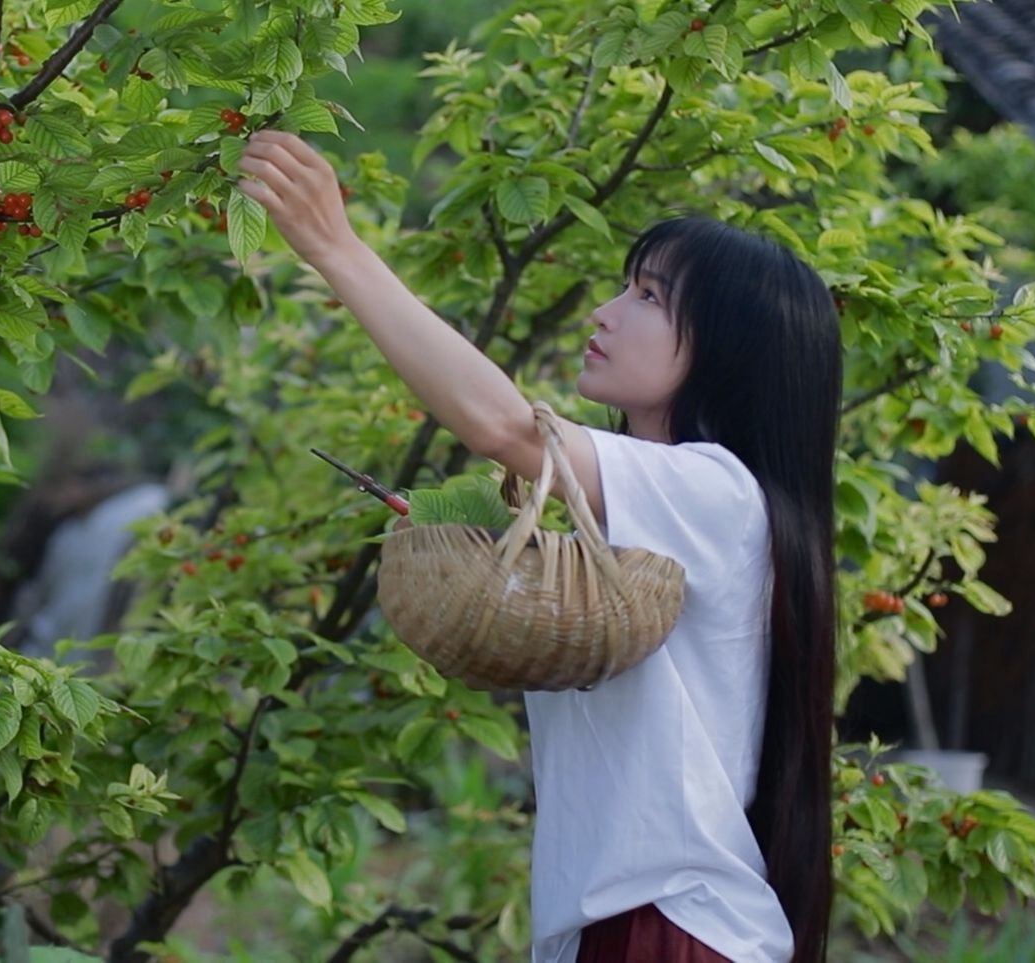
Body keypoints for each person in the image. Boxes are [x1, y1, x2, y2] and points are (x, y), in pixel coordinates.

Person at [236, 130, 841, 963]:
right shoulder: (658, 508)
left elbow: (504, 425)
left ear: (731, 352)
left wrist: (336, 248)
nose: (606, 312)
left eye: (648, 298)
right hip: (626, 922)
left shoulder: (719, 492)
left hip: (664, 924)